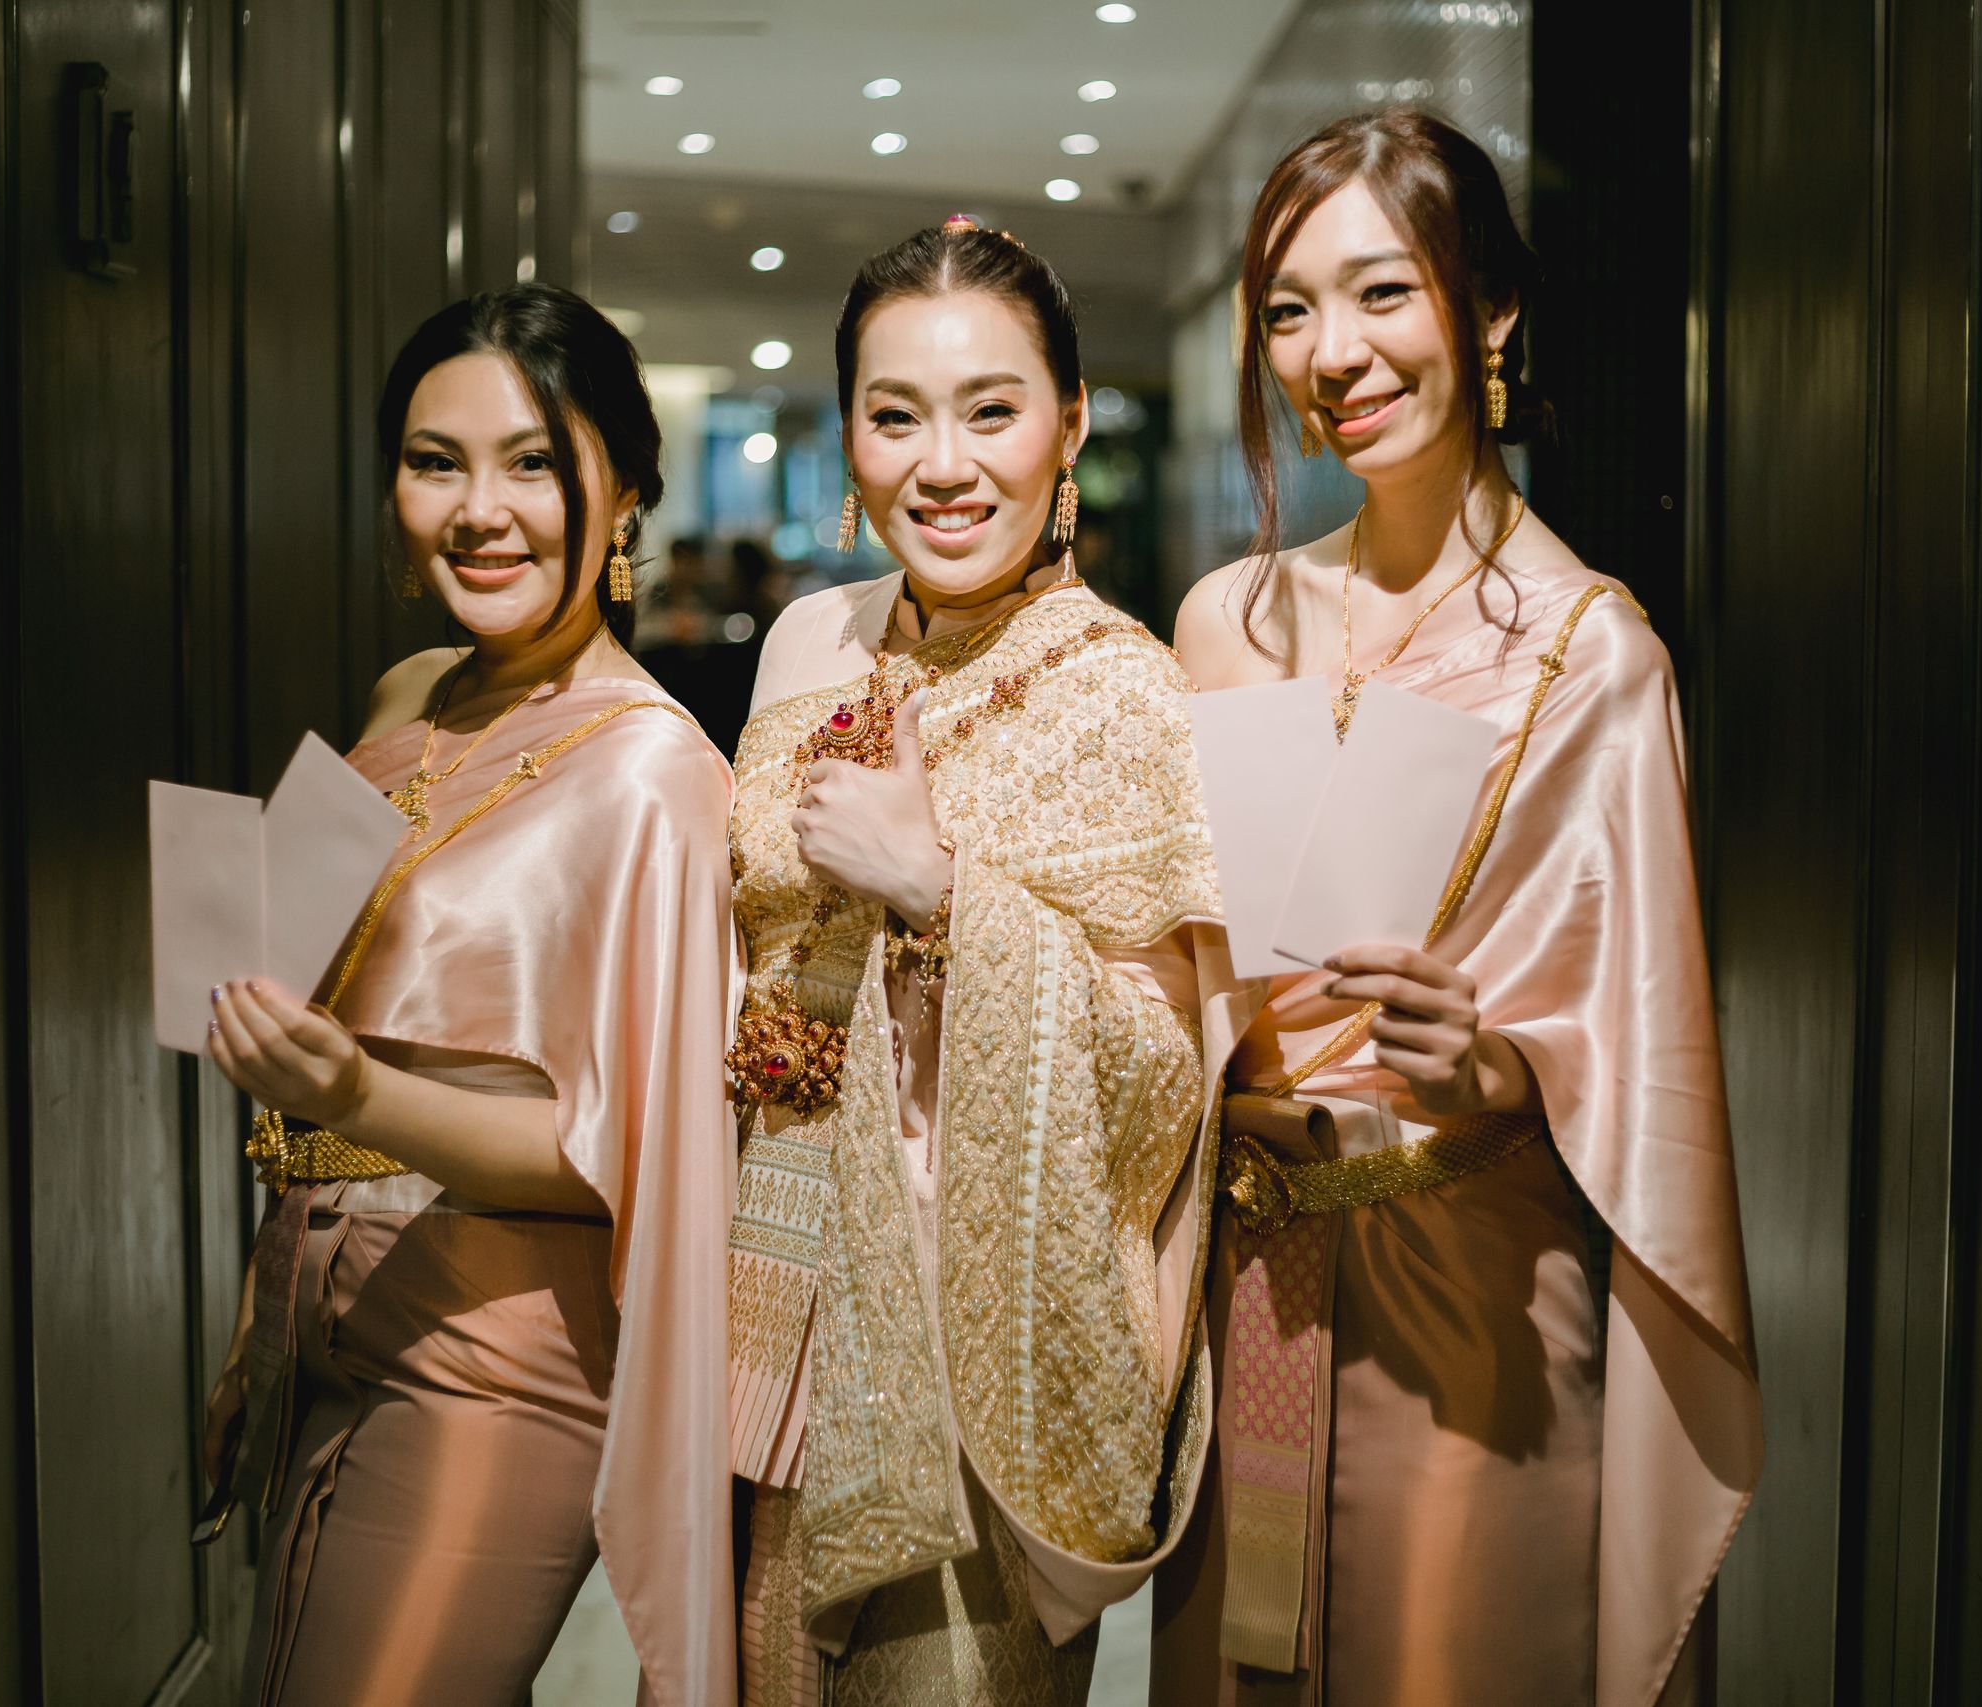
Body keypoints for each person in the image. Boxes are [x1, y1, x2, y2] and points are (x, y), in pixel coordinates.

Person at [1156, 109, 1761, 1706]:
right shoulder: (1227, 622)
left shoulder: (1590, 654)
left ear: (1489, 312)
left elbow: (1644, 1063)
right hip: (1248, 1286)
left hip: (1469, 1285)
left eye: (1383, 293)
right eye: (1289, 311)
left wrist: (1484, 1061)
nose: (1333, 354)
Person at [725, 215, 1241, 1706]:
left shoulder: (1128, 695)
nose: (943, 465)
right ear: (848, 437)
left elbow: (1165, 1084)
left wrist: (940, 892)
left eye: (991, 411)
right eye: (896, 416)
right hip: (759, 1303)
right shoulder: (807, 644)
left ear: (1068, 425)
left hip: (965, 1345)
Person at [200, 284, 739, 1706]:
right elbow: (292, 1000)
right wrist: (259, 1316)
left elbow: (629, 1158)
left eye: (533, 463)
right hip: (315, 1305)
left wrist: (358, 1093)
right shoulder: (404, 700)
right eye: (435, 461)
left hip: (495, 1355)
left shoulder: (658, 774)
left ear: (624, 495)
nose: (480, 510)